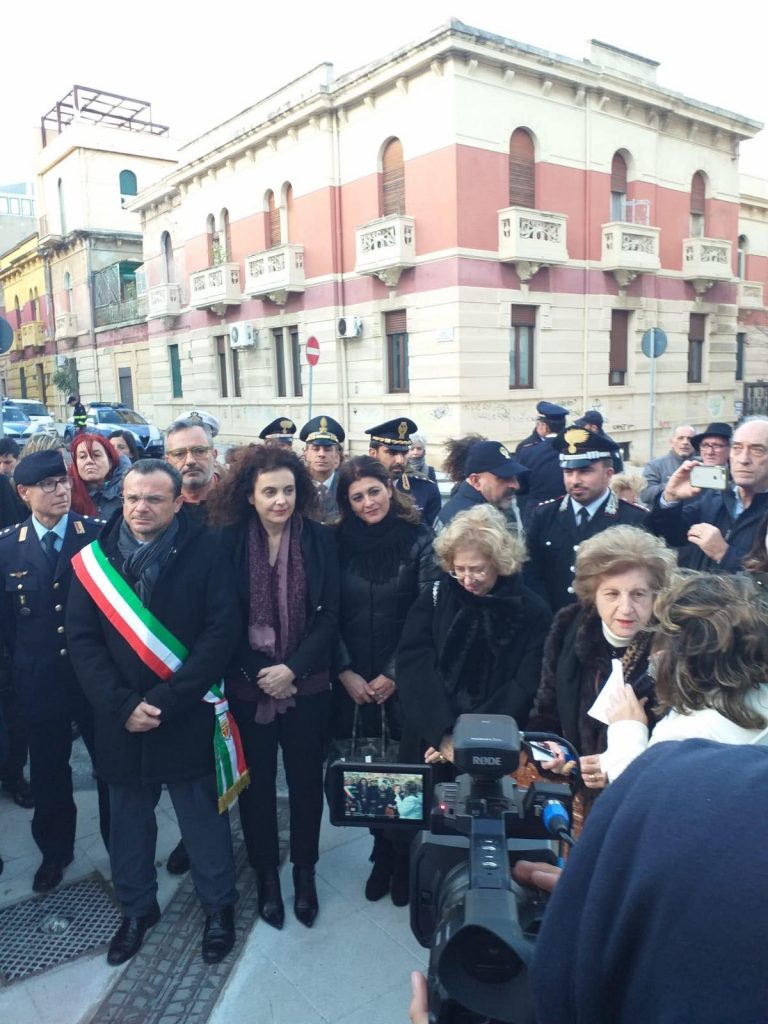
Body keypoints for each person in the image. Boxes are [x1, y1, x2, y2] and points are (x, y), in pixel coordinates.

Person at [66, 460, 240, 965]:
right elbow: (82, 640)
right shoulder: (93, 560)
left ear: (178, 502)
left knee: (202, 819)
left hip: (184, 710)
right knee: (127, 822)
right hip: (120, 717)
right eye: (132, 498)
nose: (140, 508)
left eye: (154, 499)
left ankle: (218, 907)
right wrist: (121, 704)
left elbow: (222, 632)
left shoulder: (208, 552)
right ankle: (137, 909)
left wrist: (168, 699)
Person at [206, 446, 339, 930]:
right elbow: (223, 618)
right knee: (256, 786)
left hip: (309, 684)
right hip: (250, 685)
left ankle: (304, 871)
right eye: (270, 492)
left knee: (305, 783)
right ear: (250, 496)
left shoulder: (320, 539)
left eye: (288, 490)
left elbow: (330, 616)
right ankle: (265, 875)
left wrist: (293, 670)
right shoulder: (226, 542)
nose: (281, 500)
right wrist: (260, 672)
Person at [396, 504, 552, 845]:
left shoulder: (533, 611)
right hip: (430, 737)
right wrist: (441, 732)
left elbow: (525, 684)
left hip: (494, 745)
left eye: (478, 570)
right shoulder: (436, 596)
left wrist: (467, 739)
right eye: (460, 569)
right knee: (416, 830)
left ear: (500, 562)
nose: (467, 579)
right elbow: (414, 664)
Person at [0, 450, 108, 892]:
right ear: (23, 493)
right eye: (48, 485)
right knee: (48, 771)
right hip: (39, 680)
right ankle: (55, 851)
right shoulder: (7, 547)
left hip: (95, 679)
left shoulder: (98, 536)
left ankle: (121, 845)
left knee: (110, 767)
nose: (61, 490)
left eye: (63, 481)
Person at [333, 455, 438, 904]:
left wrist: (394, 673)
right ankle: (380, 850)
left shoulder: (420, 539)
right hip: (352, 677)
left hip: (406, 675)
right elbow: (323, 611)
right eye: (357, 497)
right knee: (365, 769)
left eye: (374, 491)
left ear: (389, 489)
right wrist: (344, 670)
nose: (368, 502)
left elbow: (428, 610)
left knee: (405, 770)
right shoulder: (334, 542)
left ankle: (401, 854)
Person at [529, 525, 677, 798]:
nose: (626, 608)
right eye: (612, 594)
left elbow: (679, 746)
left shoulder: (672, 646)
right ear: (592, 594)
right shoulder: (568, 627)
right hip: (580, 795)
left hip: (642, 797)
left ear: (656, 595)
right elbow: (544, 712)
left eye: (638, 594)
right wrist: (551, 754)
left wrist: (616, 765)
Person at [602, 573, 768, 781]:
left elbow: (637, 790)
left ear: (685, 656)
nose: (659, 654)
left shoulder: (685, 737)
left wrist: (627, 729)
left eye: (668, 640)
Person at [525, 427, 649, 613]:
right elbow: (530, 574)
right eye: (568, 472)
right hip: (554, 620)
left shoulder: (634, 519)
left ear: (608, 474)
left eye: (584, 471)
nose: (574, 480)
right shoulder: (544, 515)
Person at [650, 416, 768, 572]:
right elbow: (674, 535)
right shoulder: (716, 498)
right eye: (737, 448)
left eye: (757, 450)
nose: (743, 459)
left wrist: (724, 554)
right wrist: (670, 498)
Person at [437, 440, 528, 532]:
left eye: (514, 476)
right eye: (504, 478)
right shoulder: (468, 526)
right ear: (476, 481)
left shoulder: (493, 505)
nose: (516, 485)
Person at [366, 418, 442, 527]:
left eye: (404, 453)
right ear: (373, 453)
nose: (400, 460)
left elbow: (434, 532)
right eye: (392, 453)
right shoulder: (356, 489)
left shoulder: (426, 489)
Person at [515, 403, 571, 528]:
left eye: (538, 424)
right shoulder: (575, 450)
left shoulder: (527, 451)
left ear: (544, 427)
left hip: (536, 514)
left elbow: (520, 487)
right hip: (567, 512)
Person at [164, 417, 221, 517]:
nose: (190, 461)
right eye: (179, 453)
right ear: (168, 461)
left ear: (214, 455)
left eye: (199, 451)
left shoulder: (239, 499)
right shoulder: (158, 504)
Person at [68, 433, 129, 520]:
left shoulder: (126, 493)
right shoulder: (67, 496)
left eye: (96, 455)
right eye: (82, 457)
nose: (89, 461)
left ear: (110, 462)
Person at [300, 414, 345, 523]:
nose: (321, 454)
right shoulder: (297, 486)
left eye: (327, 449)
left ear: (337, 456)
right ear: (306, 454)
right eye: (315, 449)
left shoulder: (346, 485)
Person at [639, 423, 695, 506]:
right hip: (665, 512)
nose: (685, 442)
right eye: (680, 438)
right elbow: (645, 495)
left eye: (690, 439)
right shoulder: (655, 465)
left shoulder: (701, 465)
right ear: (671, 442)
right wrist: (673, 484)